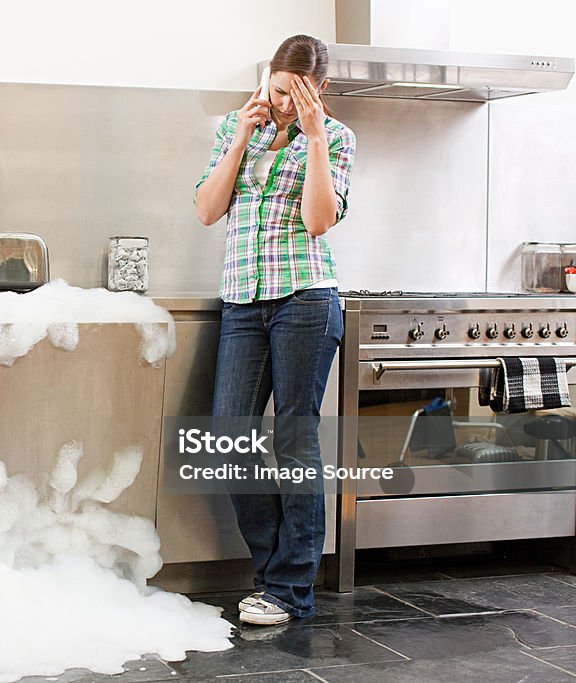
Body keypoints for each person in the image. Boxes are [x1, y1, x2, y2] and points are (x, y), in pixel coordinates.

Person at [193, 35, 355, 626]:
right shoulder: (241, 132)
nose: (285, 103)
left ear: (322, 90)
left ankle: (290, 589)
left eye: (299, 94)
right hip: (242, 302)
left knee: (294, 438)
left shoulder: (336, 138)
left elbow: (318, 221)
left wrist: (311, 136)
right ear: (266, 80)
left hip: (304, 299)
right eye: (279, 90)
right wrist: (239, 135)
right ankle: (271, 574)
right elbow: (209, 210)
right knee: (229, 437)